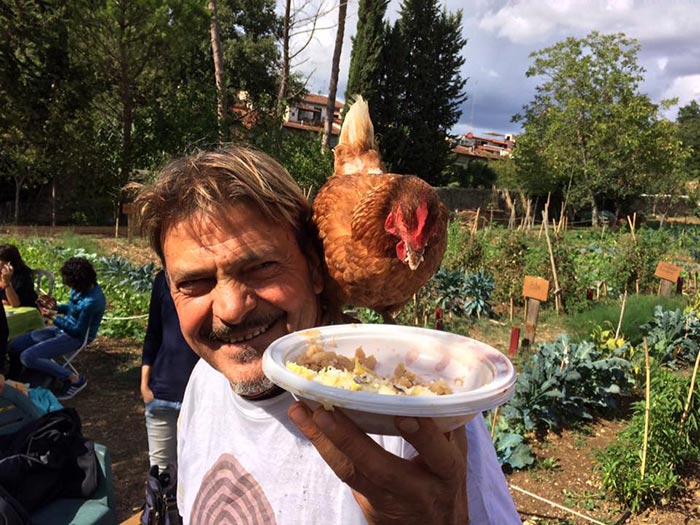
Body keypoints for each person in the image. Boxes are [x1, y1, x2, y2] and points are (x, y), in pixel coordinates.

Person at [135, 145, 521, 525]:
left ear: (317, 270)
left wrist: (445, 520)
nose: (231, 309)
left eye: (262, 266)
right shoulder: (204, 383)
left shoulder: (416, 417)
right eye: (195, 282)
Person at [7, 257, 106, 400]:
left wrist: (53, 317)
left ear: (79, 281)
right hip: (62, 329)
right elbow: (72, 309)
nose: (70, 288)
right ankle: (18, 378)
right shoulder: (81, 289)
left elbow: (77, 331)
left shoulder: (92, 301)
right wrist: (56, 308)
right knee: (15, 345)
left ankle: (73, 379)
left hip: (74, 337)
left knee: (27, 356)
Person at [141, 269, 199, 471]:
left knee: (197, 472)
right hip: (161, 394)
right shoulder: (162, 279)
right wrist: (144, 383)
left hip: (202, 399)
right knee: (160, 475)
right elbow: (153, 333)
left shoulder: (217, 283)